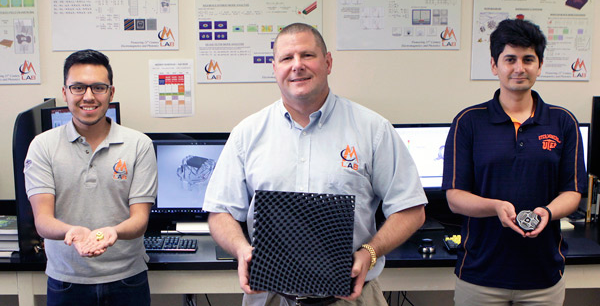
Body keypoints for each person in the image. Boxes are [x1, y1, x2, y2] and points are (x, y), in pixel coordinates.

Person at [203, 22, 427, 306]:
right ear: (275, 69)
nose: (297, 66)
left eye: (307, 55)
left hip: (350, 298)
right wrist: (241, 248)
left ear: (328, 62)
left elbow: (411, 209)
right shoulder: (247, 135)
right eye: (287, 58)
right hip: (271, 298)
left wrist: (370, 252)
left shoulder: (373, 130)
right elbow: (220, 211)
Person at [442, 18, 586, 306]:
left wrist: (547, 211)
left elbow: (572, 193)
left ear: (539, 65)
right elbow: (455, 197)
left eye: (528, 59)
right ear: (495, 65)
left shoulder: (563, 122)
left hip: (543, 277)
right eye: (510, 59)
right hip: (480, 275)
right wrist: (496, 207)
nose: (519, 68)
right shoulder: (468, 122)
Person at [24, 49, 158, 306]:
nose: (88, 96)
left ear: (111, 92)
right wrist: (72, 232)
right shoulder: (42, 146)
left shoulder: (139, 144)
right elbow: (42, 221)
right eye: (78, 87)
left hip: (128, 279)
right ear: (65, 93)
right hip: (66, 280)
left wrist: (113, 232)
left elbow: (140, 220)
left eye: (98, 87)